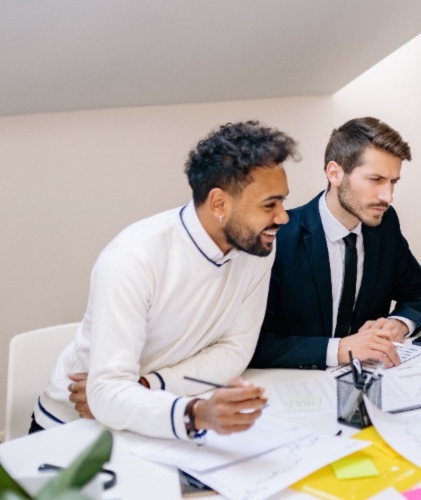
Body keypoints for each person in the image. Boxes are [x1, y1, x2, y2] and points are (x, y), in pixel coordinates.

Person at [33, 121, 297, 440]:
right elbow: (104, 393)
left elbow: (236, 350)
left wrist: (148, 386)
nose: (283, 216)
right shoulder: (133, 259)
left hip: (155, 415)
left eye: (282, 201)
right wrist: (196, 414)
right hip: (73, 425)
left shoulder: (257, 246)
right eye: (270, 204)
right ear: (219, 204)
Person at [249, 117, 421, 369]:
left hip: (370, 379)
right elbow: (254, 344)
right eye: (375, 179)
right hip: (296, 385)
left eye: (393, 182)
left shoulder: (385, 224)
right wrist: (339, 349)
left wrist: (399, 323)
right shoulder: (279, 237)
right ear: (335, 173)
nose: (388, 196)